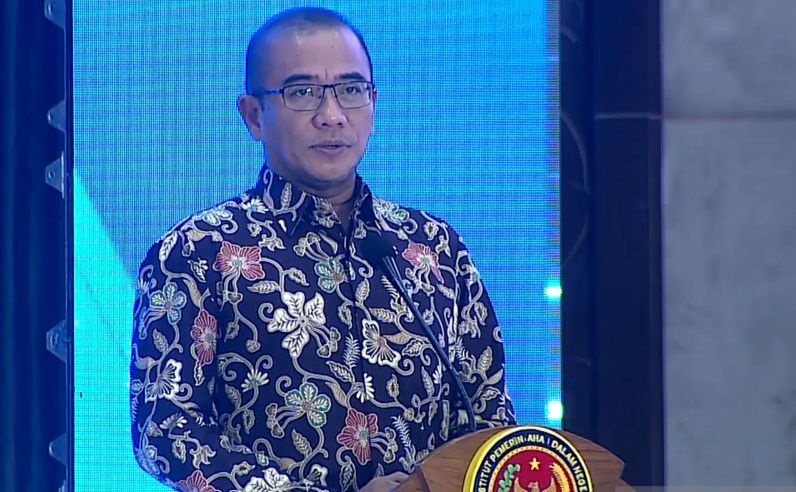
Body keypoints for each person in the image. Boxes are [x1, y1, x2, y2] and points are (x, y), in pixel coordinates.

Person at [130, 7, 515, 492]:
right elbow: (166, 433)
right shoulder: (196, 253)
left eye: (351, 90)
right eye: (302, 92)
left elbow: (489, 419)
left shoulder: (433, 249)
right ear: (254, 116)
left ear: (373, 104)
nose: (331, 116)